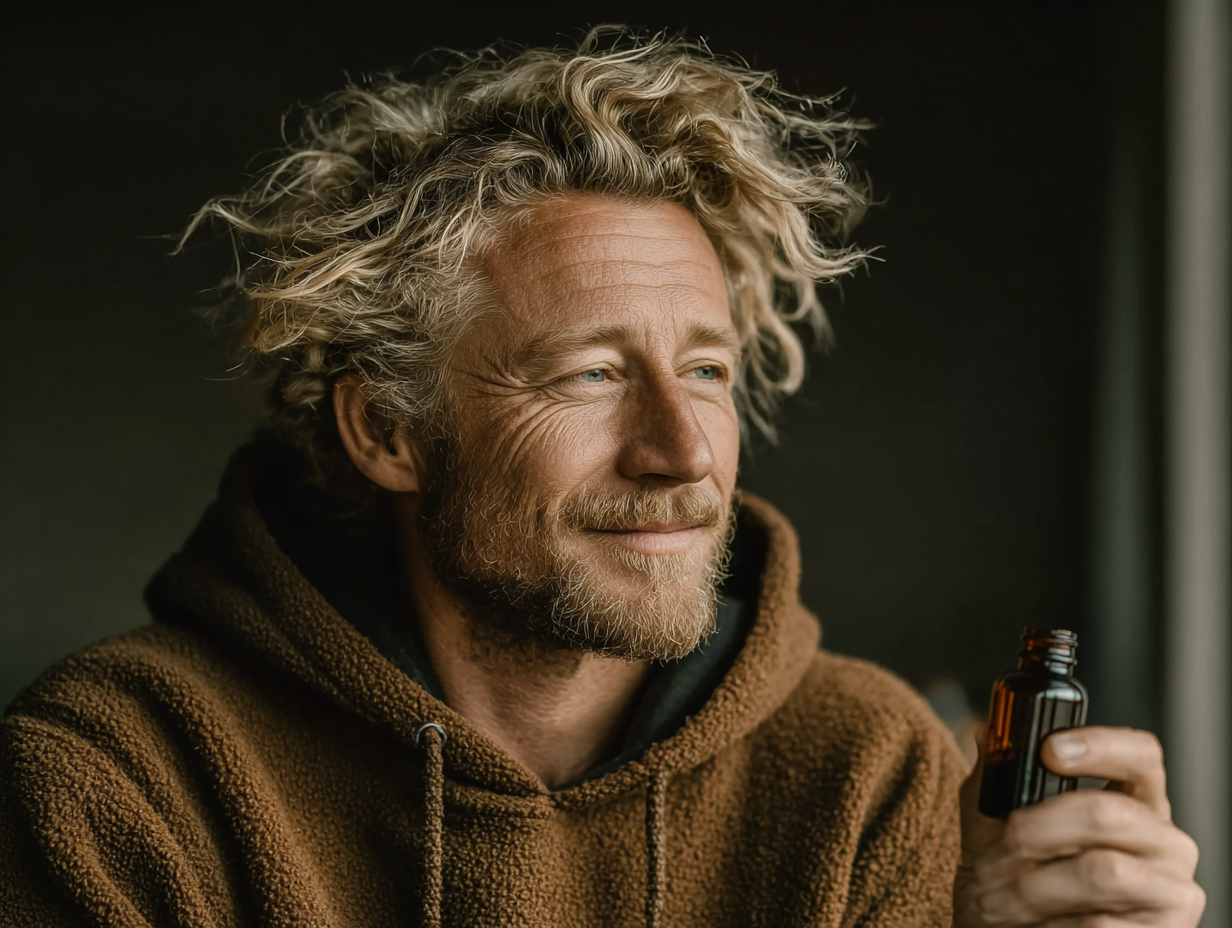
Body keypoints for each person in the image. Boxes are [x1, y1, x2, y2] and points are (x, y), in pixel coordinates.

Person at [0, 29, 1202, 928]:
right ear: (388, 432)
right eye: (588, 374)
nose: (683, 453)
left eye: (706, 371)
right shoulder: (117, 775)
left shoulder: (866, 767)